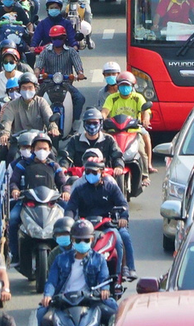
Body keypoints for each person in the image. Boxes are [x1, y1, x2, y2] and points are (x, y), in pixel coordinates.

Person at [38, 219, 117, 326]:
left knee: (115, 313)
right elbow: (51, 281)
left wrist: (104, 289)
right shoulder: (60, 259)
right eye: (78, 240)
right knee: (42, 315)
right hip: (63, 302)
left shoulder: (99, 259)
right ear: (72, 240)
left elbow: (104, 278)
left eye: (86, 240)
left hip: (90, 300)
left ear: (92, 239)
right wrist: (48, 295)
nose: (82, 243)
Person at [65, 159, 137, 279]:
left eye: (94, 172)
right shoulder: (79, 190)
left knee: (121, 237)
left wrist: (123, 218)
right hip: (85, 226)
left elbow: (123, 205)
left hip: (108, 224)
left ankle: (122, 271)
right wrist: (68, 221)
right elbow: (70, 208)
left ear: (102, 173)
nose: (90, 175)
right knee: (67, 242)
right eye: (87, 172)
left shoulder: (111, 188)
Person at [9, 133, 70, 264]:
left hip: (51, 202)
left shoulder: (54, 166)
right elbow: (13, 181)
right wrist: (14, 189)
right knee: (13, 219)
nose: (42, 151)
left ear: (49, 150)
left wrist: (65, 192)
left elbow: (64, 183)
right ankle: (14, 254)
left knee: (70, 218)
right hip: (27, 201)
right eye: (39, 148)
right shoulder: (22, 164)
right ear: (33, 149)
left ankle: (70, 252)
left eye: (45, 148)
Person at [101, 72, 154, 179]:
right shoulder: (112, 98)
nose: (125, 88)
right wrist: (101, 119)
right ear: (118, 86)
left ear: (132, 86)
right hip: (114, 129)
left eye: (127, 86)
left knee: (141, 149)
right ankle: (102, 170)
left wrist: (146, 120)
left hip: (133, 130)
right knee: (103, 147)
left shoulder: (138, 98)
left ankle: (145, 172)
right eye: (122, 86)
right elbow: (105, 112)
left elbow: (146, 111)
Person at [35, 27, 86, 122]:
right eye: (54, 38)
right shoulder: (45, 51)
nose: (57, 41)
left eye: (60, 38)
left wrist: (80, 73)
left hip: (66, 84)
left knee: (80, 99)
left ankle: (74, 122)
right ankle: (37, 122)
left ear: (64, 38)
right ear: (51, 39)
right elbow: (38, 65)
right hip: (48, 84)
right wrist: (36, 74)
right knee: (34, 100)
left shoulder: (71, 52)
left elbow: (78, 65)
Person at [0, 74, 60, 151]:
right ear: (19, 89)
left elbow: (49, 118)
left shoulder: (41, 102)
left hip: (38, 140)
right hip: (18, 142)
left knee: (52, 154)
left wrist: (53, 128)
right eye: (24, 88)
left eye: (30, 88)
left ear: (35, 89)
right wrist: (5, 134)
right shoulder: (12, 105)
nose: (27, 90)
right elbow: (7, 121)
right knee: (9, 154)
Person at [60, 108, 124, 172]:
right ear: (84, 124)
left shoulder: (109, 140)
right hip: (80, 177)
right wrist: (64, 166)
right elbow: (67, 157)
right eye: (89, 123)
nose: (92, 126)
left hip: (104, 176)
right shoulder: (75, 140)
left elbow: (117, 156)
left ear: (100, 123)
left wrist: (118, 166)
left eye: (95, 123)